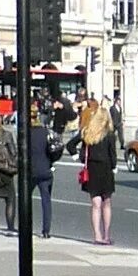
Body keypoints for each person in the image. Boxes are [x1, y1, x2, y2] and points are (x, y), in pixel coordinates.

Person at [66, 104, 119, 245]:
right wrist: (114, 167)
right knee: (106, 203)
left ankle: (97, 235)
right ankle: (107, 235)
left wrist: (77, 157)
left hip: (92, 169)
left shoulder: (86, 132)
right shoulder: (110, 135)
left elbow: (70, 145)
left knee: (95, 204)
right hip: (106, 169)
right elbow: (112, 155)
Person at [27, 109, 60, 239]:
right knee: (46, 201)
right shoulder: (45, 132)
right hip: (45, 169)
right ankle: (46, 231)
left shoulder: (25, 133)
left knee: (25, 200)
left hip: (30, 170)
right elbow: (54, 148)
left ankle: (26, 226)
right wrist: (51, 161)